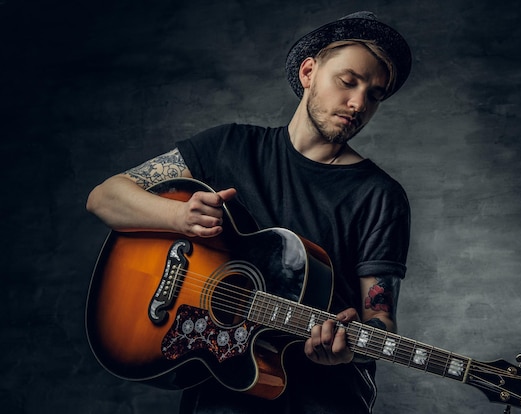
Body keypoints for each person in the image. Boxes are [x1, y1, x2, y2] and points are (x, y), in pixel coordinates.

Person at [87, 11, 412, 414]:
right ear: (310, 71)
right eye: (348, 81)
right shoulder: (228, 146)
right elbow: (105, 197)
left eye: (375, 94)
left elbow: (380, 321)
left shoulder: (381, 196)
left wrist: (350, 348)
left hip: (325, 400)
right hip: (219, 396)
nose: (358, 103)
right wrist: (177, 218)